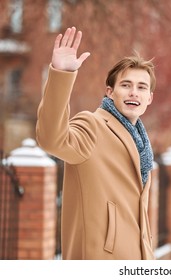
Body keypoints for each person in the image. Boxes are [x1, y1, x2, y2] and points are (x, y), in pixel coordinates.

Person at [36, 26, 156, 260]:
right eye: (125, 85)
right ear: (110, 92)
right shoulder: (92, 125)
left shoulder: (141, 142)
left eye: (142, 87)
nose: (134, 93)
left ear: (149, 98)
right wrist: (61, 74)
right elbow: (51, 139)